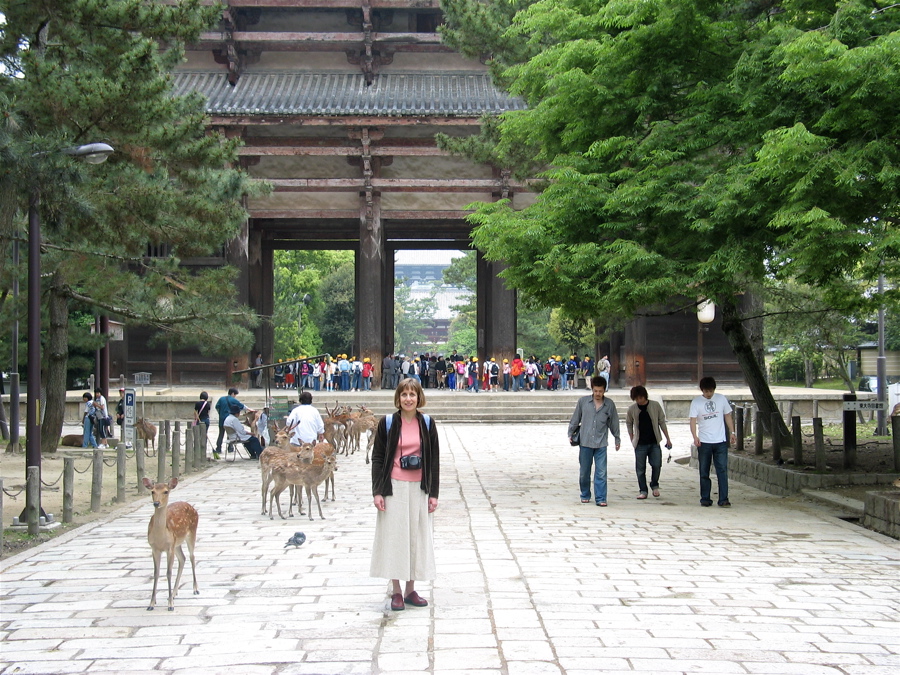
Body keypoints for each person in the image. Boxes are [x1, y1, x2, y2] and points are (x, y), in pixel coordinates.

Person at [370, 378, 440, 611]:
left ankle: (411, 589)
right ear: (398, 398)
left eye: (412, 394)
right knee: (395, 537)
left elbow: (434, 460)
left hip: (419, 486)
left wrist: (433, 493)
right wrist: (378, 491)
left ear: (419, 397)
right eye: (404, 395)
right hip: (394, 486)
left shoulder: (427, 423)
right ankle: (396, 590)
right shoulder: (388, 423)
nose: (408, 399)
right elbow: (378, 458)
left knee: (415, 537)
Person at [567, 376, 620, 506]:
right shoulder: (583, 402)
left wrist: (617, 438)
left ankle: (601, 498)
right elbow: (576, 418)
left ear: (604, 390)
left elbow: (614, 423)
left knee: (601, 472)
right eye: (596, 391)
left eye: (600, 391)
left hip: (601, 443)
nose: (598, 394)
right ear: (592, 389)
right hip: (585, 442)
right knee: (584, 471)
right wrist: (570, 432)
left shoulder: (609, 405)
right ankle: (585, 493)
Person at [689, 376, 735, 507]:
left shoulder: (721, 399)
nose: (708, 394)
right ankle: (705, 498)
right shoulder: (696, 402)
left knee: (722, 470)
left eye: (710, 391)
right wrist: (695, 436)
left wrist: (732, 432)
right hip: (704, 442)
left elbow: (727, 415)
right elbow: (692, 420)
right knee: (704, 471)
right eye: (706, 391)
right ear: (702, 390)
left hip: (720, 441)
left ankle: (724, 498)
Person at [625, 386, 673, 499]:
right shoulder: (632, 409)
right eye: (636, 399)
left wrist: (668, 438)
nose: (639, 401)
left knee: (657, 465)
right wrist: (632, 437)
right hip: (640, 443)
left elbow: (662, 422)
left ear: (645, 396)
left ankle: (654, 484)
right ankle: (643, 490)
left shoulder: (655, 405)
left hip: (654, 441)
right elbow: (628, 423)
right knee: (640, 469)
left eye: (640, 398)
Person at [215, 387, 246, 456]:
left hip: (222, 419)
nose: (235, 396)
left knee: (221, 434)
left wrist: (220, 413)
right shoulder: (233, 400)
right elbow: (242, 406)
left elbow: (217, 407)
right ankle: (230, 447)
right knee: (230, 433)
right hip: (229, 420)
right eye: (235, 395)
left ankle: (218, 448)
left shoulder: (221, 399)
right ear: (232, 393)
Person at [193, 391, 213, 458]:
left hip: (200, 420)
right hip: (206, 420)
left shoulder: (197, 403)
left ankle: (197, 448)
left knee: (198, 434)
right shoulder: (207, 404)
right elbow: (208, 412)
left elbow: (195, 412)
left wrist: (197, 418)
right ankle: (204, 447)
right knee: (205, 434)